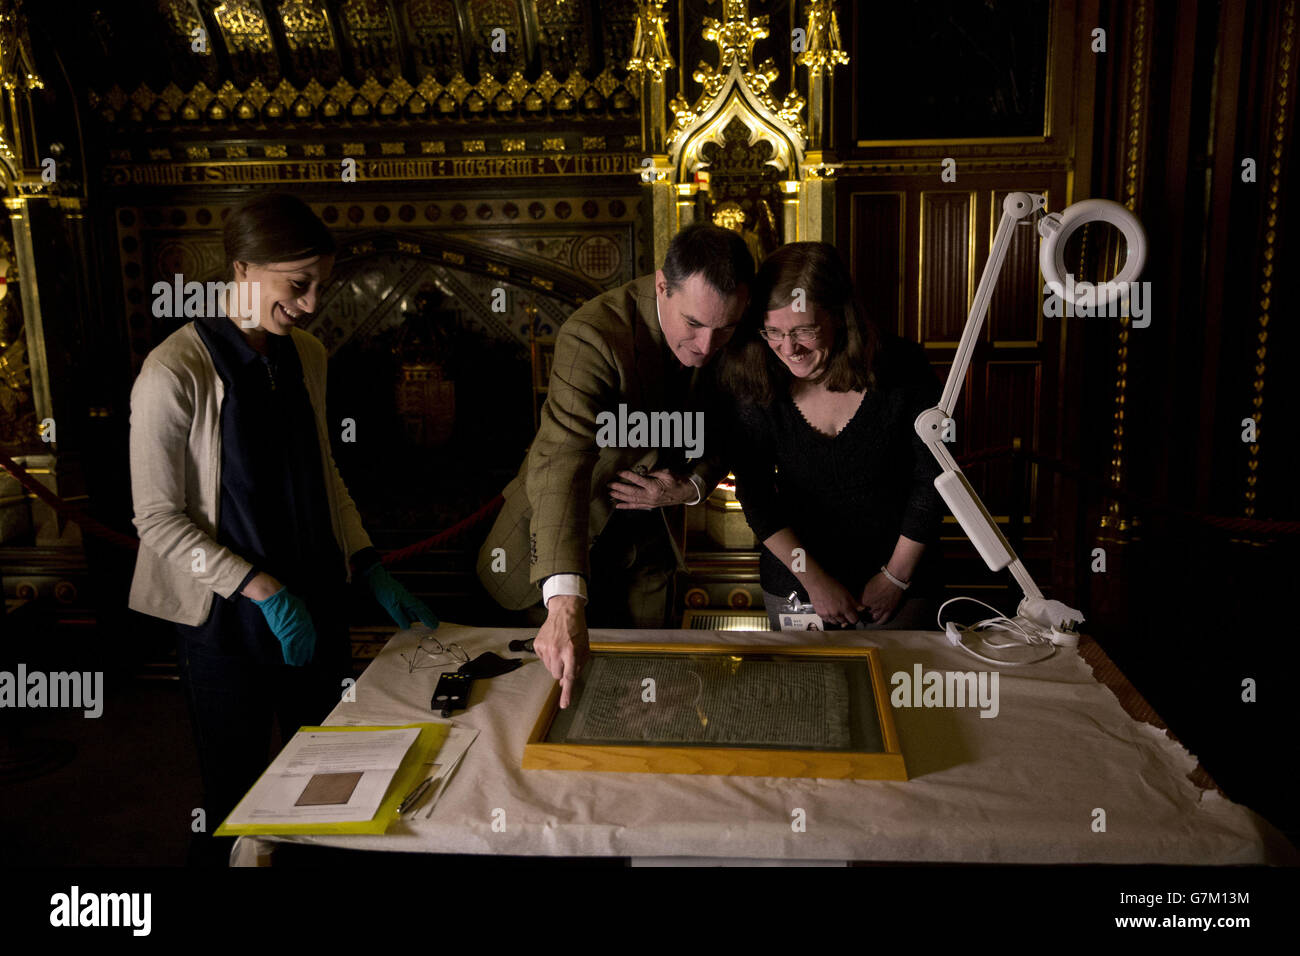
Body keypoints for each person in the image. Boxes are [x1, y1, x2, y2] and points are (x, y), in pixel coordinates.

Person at [127, 191, 437, 864]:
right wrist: (260, 588)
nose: (310, 302)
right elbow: (154, 519)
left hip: (315, 604)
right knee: (233, 797)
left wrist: (368, 560)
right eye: (298, 285)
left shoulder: (309, 356)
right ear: (241, 270)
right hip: (225, 622)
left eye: (320, 285)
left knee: (328, 783)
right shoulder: (172, 370)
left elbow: (324, 471)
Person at [477, 224, 754, 707]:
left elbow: (733, 428)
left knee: (646, 701)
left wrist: (689, 487)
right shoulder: (594, 335)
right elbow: (563, 460)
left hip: (649, 550)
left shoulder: (735, 329)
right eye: (693, 324)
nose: (708, 347)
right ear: (662, 286)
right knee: (541, 709)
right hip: (559, 539)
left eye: (723, 330)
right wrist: (564, 602)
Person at [720, 242, 946, 631]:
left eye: (804, 330)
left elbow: (932, 481)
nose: (788, 349)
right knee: (808, 691)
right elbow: (756, 496)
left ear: (840, 316)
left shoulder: (903, 367)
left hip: (902, 576)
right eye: (772, 331)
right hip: (797, 579)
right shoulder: (756, 376)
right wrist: (815, 582)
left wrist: (895, 577)